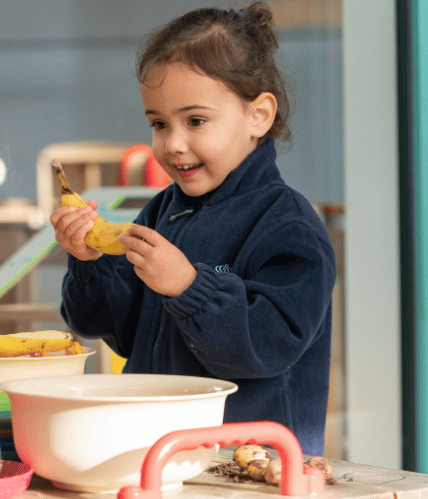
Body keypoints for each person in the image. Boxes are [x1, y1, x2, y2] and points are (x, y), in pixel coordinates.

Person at [51, 2, 336, 456]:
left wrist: (189, 287)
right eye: (159, 124)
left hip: (249, 470)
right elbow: (110, 329)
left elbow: (266, 346)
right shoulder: (164, 210)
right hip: (158, 455)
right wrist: (93, 265)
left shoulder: (289, 224)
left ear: (258, 115)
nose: (173, 144)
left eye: (196, 121)